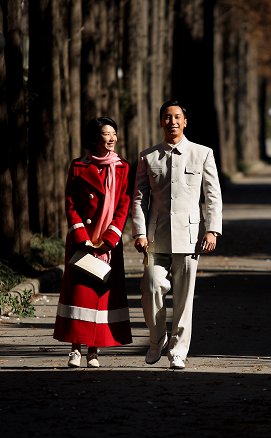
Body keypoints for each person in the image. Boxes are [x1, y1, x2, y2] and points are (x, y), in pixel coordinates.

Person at [132, 100, 223, 369]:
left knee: (184, 298)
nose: (172, 122)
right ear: (161, 122)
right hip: (155, 236)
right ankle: (157, 338)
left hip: (190, 236)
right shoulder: (147, 157)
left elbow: (212, 195)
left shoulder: (202, 153)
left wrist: (212, 230)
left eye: (177, 117)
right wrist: (139, 232)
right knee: (150, 286)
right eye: (167, 117)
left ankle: (179, 350)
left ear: (185, 122)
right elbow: (138, 199)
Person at [53, 116, 132, 368]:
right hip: (82, 242)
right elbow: (71, 203)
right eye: (106, 134)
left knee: (101, 296)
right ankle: (75, 349)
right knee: (80, 296)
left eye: (114, 134)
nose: (112, 139)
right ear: (95, 138)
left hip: (108, 244)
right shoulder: (78, 166)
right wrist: (81, 236)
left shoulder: (122, 167)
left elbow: (123, 204)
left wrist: (110, 238)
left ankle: (94, 351)